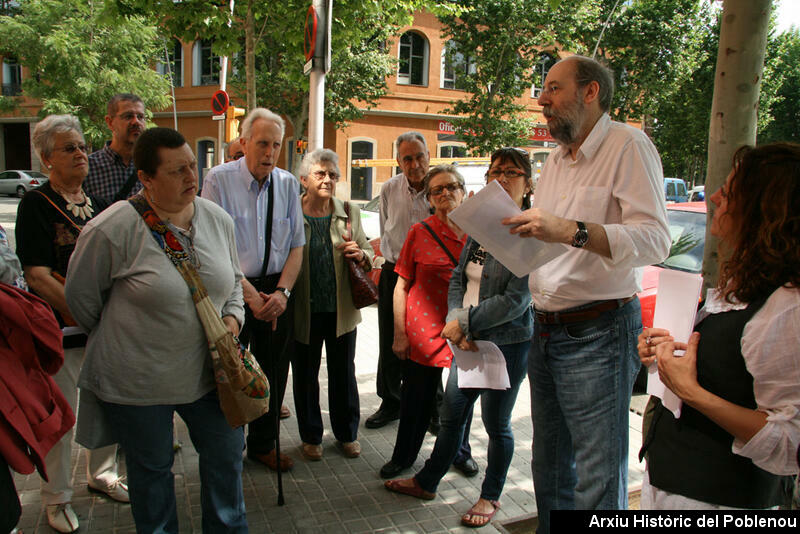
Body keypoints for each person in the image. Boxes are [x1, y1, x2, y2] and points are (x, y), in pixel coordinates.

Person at [502, 55, 670, 530]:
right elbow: (554, 242)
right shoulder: (555, 160)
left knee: (597, 479)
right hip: (545, 329)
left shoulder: (629, 146)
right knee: (549, 466)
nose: (542, 99)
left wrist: (568, 230)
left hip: (599, 333)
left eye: (553, 88)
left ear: (591, 91)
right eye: (543, 90)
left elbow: (655, 240)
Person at [65, 127, 248, 532]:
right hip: (139, 384)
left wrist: (232, 320)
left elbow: (233, 282)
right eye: (177, 171)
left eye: (192, 166)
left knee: (226, 458)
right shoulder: (111, 229)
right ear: (146, 179)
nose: (192, 177)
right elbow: (82, 301)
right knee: (152, 478)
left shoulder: (217, 219)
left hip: (211, 377)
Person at [638, 143, 800, 509]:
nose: (713, 197)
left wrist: (692, 392)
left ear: (762, 210)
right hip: (672, 480)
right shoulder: (745, 286)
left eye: (727, 193)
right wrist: (662, 352)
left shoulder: (787, 307)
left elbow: (790, 441)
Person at [385, 148, 534, 528]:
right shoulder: (482, 224)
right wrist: (457, 322)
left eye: (512, 172)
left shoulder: (529, 230)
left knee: (496, 423)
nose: (501, 177)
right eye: (495, 170)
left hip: (507, 343)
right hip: (467, 339)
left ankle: (490, 496)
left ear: (528, 183)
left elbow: (516, 299)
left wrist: (464, 322)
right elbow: (457, 278)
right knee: (452, 416)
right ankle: (427, 481)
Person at [15, 114, 126, 534]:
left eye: (82, 146)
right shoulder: (35, 205)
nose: (81, 153)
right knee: (62, 418)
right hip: (61, 331)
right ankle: (56, 498)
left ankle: (102, 474)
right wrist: (86, 314)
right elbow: (38, 275)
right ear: (47, 159)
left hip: (104, 330)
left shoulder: (96, 204)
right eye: (69, 148)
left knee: (109, 405)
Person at [201, 107, 304, 473]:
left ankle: (262, 444)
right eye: (262, 143)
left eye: (276, 145)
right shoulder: (218, 180)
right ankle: (226, 446)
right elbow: (212, 248)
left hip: (277, 291)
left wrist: (282, 295)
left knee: (274, 371)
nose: (269, 153)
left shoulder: (288, 183)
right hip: (233, 290)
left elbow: (296, 246)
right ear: (244, 142)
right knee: (228, 372)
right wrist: (248, 296)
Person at [380, 164, 476, 480]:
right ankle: (404, 456)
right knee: (416, 404)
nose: (445, 193)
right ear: (430, 200)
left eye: (451, 187)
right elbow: (401, 286)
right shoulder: (419, 233)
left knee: (460, 402)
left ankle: (459, 453)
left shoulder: (479, 234)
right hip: (423, 334)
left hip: (465, 332)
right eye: (437, 190)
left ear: (463, 192)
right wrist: (399, 334)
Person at [291, 149, 374, 461]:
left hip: (341, 311)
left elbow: (369, 253)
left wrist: (361, 254)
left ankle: (347, 434)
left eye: (332, 174)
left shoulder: (348, 212)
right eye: (320, 174)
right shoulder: (292, 212)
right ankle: (311, 436)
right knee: (305, 375)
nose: (327, 180)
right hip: (303, 310)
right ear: (304, 179)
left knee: (343, 374)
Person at [367, 131, 432, 429]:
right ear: (398, 161)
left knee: (430, 344)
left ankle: (434, 407)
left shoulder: (440, 187)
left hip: (430, 278)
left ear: (428, 156)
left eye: (419, 156)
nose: (415, 163)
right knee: (390, 339)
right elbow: (385, 228)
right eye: (408, 158)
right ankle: (391, 401)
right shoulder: (389, 189)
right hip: (394, 274)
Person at [84, 93, 146, 203]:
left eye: (140, 117)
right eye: (128, 116)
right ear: (110, 122)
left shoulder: (153, 165)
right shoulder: (87, 168)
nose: (136, 122)